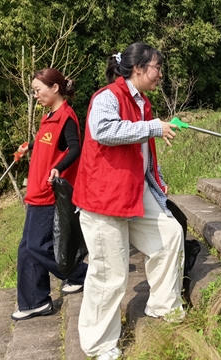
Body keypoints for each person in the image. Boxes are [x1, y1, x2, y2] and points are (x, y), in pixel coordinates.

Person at [73, 42, 184, 360]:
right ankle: (99, 345)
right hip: (103, 198)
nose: (160, 74)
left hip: (134, 191)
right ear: (138, 68)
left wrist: (157, 181)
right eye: (157, 68)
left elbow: (141, 152)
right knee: (110, 274)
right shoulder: (107, 97)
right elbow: (103, 130)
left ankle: (163, 306)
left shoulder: (142, 102)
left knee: (169, 235)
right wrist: (154, 127)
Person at [11, 68, 87, 321]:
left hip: (49, 193)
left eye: (38, 90)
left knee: (37, 246)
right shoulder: (49, 117)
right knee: (27, 248)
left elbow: (75, 148)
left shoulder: (66, 116)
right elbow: (46, 142)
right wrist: (28, 146)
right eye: (34, 91)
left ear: (55, 87)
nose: (36, 95)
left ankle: (83, 274)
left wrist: (58, 168)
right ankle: (35, 302)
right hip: (36, 191)